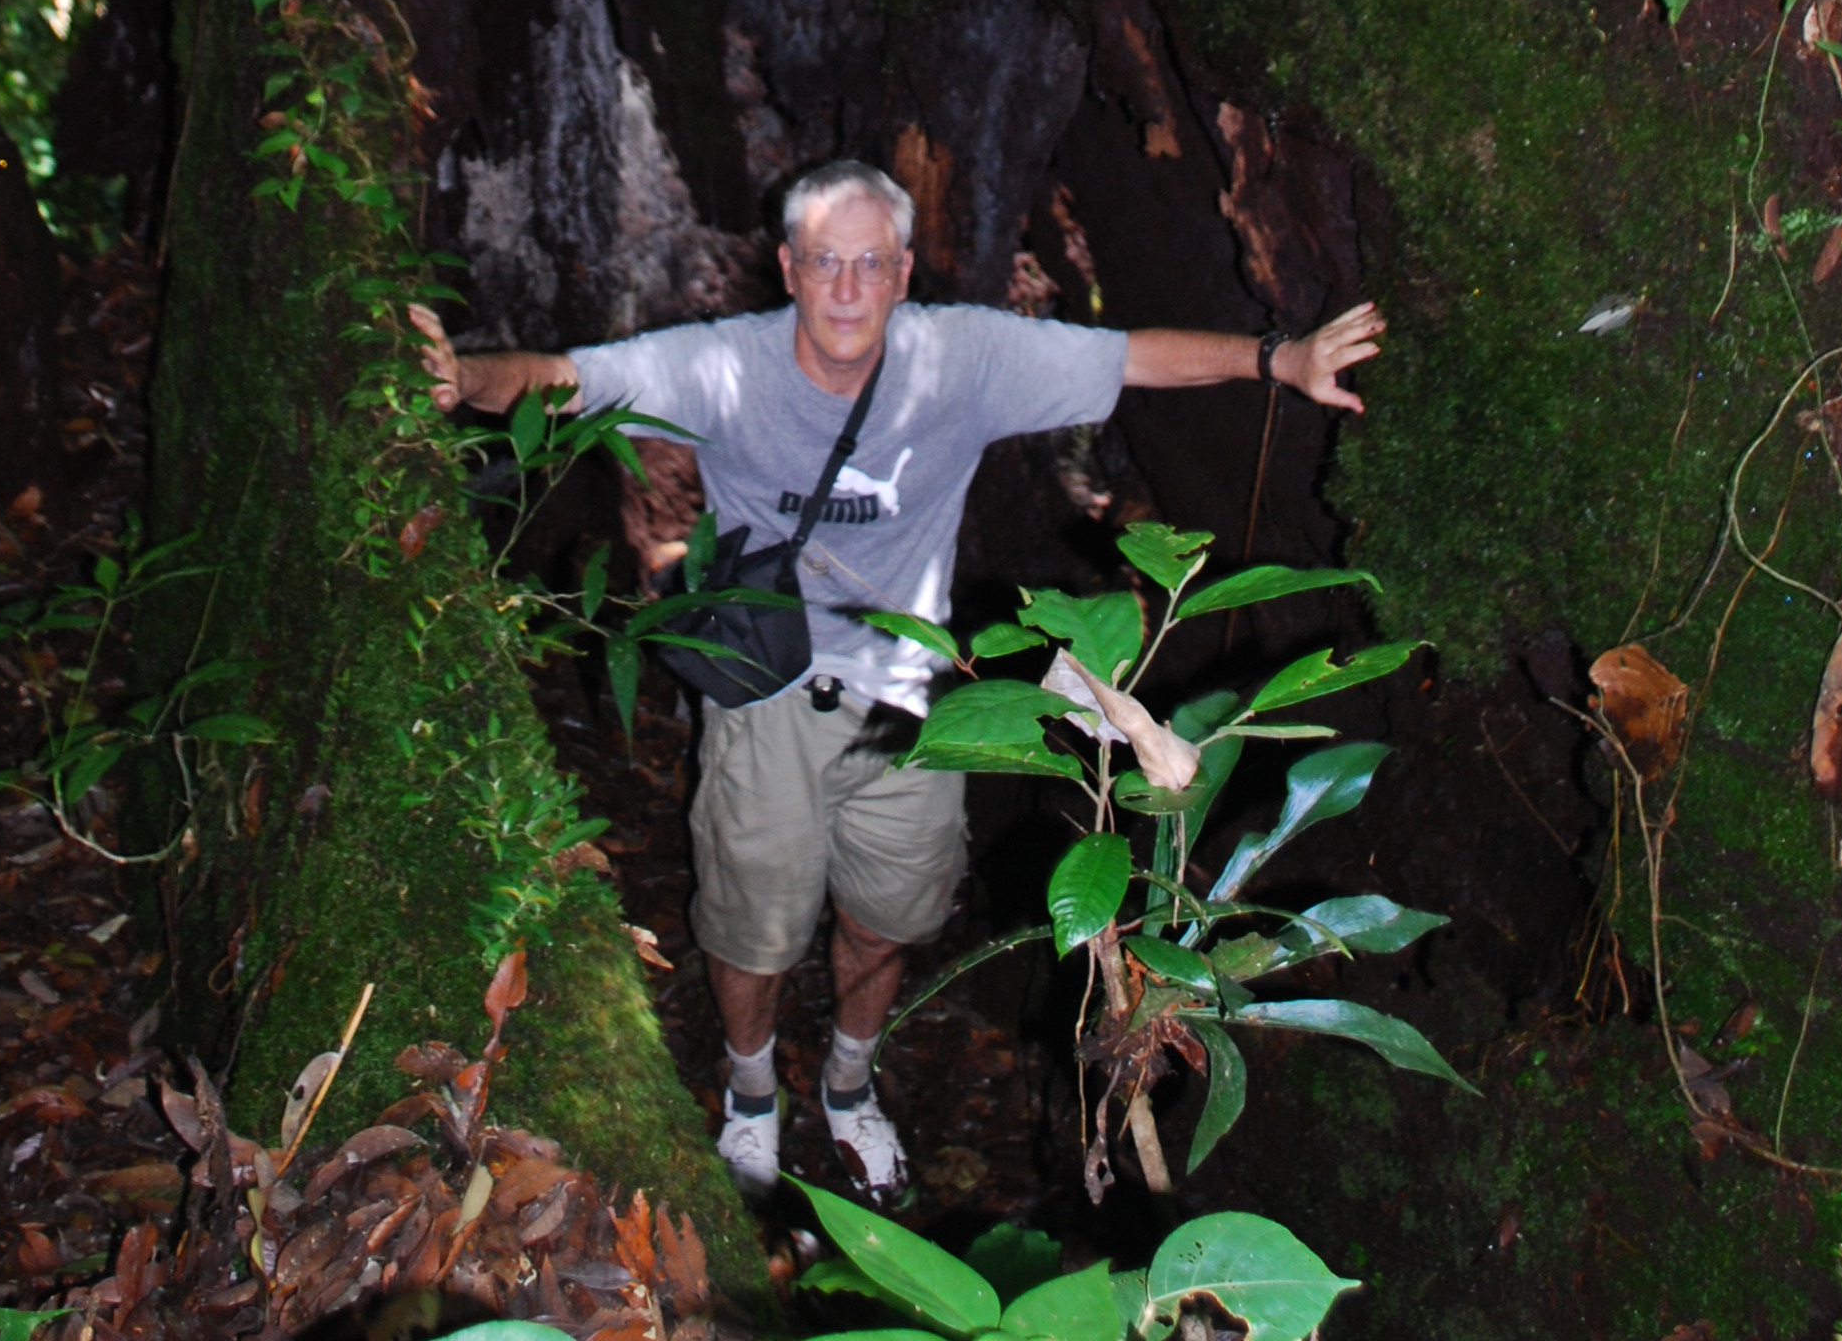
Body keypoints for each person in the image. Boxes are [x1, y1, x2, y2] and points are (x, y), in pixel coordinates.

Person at [417, 158, 1382, 1201]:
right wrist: (464, 378)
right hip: (764, 691)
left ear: (903, 271)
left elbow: (1126, 357)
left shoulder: (958, 357)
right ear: (787, 266)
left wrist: (1277, 360)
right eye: (824, 260)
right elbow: (572, 377)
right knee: (753, 923)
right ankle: (749, 1093)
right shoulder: (725, 364)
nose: (845, 286)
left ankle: (847, 1080)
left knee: (886, 914)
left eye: (869, 262)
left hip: (913, 700)